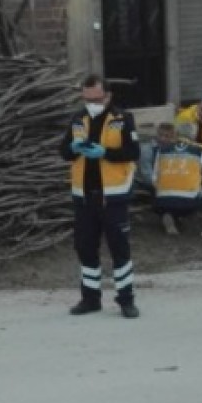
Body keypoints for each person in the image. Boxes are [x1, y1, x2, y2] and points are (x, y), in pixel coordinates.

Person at [59, 75, 142, 318]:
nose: (91, 103)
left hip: (113, 196)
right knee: (85, 247)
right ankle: (90, 298)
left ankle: (126, 299)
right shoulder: (78, 118)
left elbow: (133, 151)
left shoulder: (123, 119)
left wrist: (105, 153)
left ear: (108, 96)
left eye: (95, 99)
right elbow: (63, 150)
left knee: (119, 248)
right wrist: (72, 150)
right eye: (86, 99)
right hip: (84, 196)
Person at [152, 122, 202, 239]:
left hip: (162, 201)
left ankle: (170, 218)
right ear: (194, 137)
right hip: (189, 202)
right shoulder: (198, 150)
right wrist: (200, 178)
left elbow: (154, 178)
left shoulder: (161, 151)